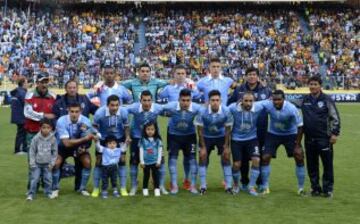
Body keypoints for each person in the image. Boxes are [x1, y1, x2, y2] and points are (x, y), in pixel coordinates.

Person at [227, 67, 272, 191]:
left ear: (258, 76)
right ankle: (244, 182)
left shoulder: (266, 90)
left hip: (260, 130)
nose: (252, 76)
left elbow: (272, 105)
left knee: (259, 157)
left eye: (254, 74)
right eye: (249, 74)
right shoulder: (239, 89)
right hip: (240, 130)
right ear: (246, 76)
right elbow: (228, 105)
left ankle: (260, 182)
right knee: (243, 159)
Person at [297, 76, 340, 197]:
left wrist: (335, 133)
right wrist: (274, 99)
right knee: (311, 165)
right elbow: (290, 103)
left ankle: (328, 190)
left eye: (315, 84)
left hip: (324, 138)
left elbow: (335, 117)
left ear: (320, 86)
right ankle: (315, 188)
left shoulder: (326, 99)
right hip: (309, 138)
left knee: (327, 165)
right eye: (311, 84)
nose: (312, 86)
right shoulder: (304, 99)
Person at [158, 64, 199, 190]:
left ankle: (188, 180)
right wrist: (167, 114)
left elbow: (199, 102)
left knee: (189, 158)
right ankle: (173, 183)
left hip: (189, 131)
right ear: (174, 75)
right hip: (173, 131)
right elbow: (159, 103)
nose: (181, 76)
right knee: (173, 157)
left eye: (183, 73)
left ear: (186, 75)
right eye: (178, 73)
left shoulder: (192, 88)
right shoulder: (168, 89)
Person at [53, 79, 98, 192]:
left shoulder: (86, 120)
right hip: (62, 146)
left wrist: (85, 146)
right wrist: (85, 139)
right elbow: (66, 143)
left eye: (76, 111)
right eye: (72, 111)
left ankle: (81, 188)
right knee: (56, 163)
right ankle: (54, 188)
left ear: (80, 111)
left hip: (79, 146)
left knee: (86, 162)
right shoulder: (61, 120)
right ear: (68, 111)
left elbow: (87, 138)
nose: (74, 113)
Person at [260, 90, 305, 195]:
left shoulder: (291, 109)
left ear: (283, 99)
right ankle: (265, 187)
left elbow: (300, 126)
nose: (276, 102)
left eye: (279, 99)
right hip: (273, 134)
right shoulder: (268, 104)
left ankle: (301, 188)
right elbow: (255, 104)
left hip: (290, 134)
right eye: (274, 100)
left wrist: (298, 145)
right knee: (265, 157)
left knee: (299, 156)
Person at [126, 90, 167, 195]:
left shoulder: (157, 108)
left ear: (152, 101)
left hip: (154, 138)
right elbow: (122, 109)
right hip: (136, 138)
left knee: (160, 161)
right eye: (144, 100)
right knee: (134, 162)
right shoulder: (134, 108)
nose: (147, 103)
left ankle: (160, 185)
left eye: (149, 100)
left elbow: (169, 109)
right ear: (140, 101)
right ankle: (134, 186)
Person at [162, 89, 203, 194]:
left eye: (188, 100)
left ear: (191, 100)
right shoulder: (171, 106)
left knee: (192, 160)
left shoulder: (197, 108)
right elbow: (158, 109)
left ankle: (191, 183)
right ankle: (174, 185)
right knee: (172, 160)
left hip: (190, 136)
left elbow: (207, 112)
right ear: (178, 99)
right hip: (173, 136)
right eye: (183, 100)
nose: (185, 103)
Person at [92, 95, 131, 197]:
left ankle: (122, 188)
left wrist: (127, 137)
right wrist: (96, 135)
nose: (114, 108)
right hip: (104, 138)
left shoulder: (123, 112)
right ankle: (96, 188)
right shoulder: (99, 113)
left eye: (117, 105)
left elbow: (126, 126)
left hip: (119, 138)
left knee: (122, 162)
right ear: (107, 105)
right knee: (99, 162)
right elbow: (94, 127)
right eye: (112, 105)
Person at [195, 90, 233, 195]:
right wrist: (202, 147)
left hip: (221, 137)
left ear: (220, 101)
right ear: (209, 101)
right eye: (213, 100)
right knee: (203, 157)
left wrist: (226, 146)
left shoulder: (226, 111)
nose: (215, 102)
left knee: (226, 157)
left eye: (217, 100)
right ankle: (203, 186)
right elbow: (199, 130)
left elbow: (228, 129)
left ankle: (228, 186)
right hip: (206, 137)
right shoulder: (202, 111)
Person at [228, 92, 265, 196]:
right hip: (236, 140)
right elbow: (223, 111)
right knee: (236, 164)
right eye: (246, 101)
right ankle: (235, 184)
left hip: (252, 139)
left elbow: (270, 102)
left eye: (250, 101)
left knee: (256, 160)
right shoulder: (233, 108)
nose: (248, 103)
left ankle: (251, 186)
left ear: (254, 101)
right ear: (241, 101)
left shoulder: (258, 107)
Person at [24, 72, 56, 190]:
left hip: (48, 135)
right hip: (32, 133)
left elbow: (56, 114)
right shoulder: (30, 95)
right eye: (42, 81)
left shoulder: (53, 96)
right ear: (37, 82)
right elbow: (27, 112)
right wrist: (45, 116)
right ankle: (33, 186)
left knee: (47, 161)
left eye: (46, 81)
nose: (44, 84)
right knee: (32, 161)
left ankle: (46, 185)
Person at [26, 118, 57, 201]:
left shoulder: (53, 139)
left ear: (51, 128)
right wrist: (32, 163)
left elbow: (54, 152)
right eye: (44, 127)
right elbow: (32, 151)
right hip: (37, 164)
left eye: (48, 128)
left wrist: (52, 163)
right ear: (40, 128)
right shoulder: (36, 138)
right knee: (34, 179)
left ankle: (48, 193)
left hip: (48, 164)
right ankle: (31, 194)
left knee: (48, 179)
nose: (46, 130)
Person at [139, 122, 163, 197]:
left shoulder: (158, 140)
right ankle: (145, 189)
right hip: (146, 162)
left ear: (155, 130)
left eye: (152, 129)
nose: (150, 131)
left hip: (155, 162)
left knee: (155, 176)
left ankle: (157, 189)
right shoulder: (142, 140)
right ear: (145, 130)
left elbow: (160, 151)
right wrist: (142, 161)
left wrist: (159, 161)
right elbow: (141, 151)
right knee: (146, 176)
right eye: (148, 129)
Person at [10, 76, 28, 155]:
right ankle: (18, 150)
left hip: (17, 116)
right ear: (23, 83)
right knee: (21, 133)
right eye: (26, 82)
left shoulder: (17, 91)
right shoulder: (22, 92)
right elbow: (27, 104)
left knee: (22, 132)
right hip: (21, 116)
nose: (27, 84)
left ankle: (24, 149)